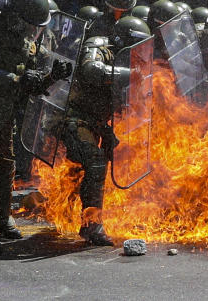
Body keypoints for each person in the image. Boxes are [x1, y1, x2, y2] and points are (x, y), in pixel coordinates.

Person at [0, 0, 64, 239]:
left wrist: (52, 76)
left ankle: (2, 219)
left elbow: (33, 81)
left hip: (5, 113)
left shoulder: (27, 39)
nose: (34, 31)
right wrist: (16, 79)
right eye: (31, 24)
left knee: (6, 164)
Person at [64, 15, 150, 246]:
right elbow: (91, 70)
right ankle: (92, 226)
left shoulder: (127, 59)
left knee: (114, 156)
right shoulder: (99, 45)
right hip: (74, 117)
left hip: (96, 122)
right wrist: (127, 74)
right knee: (95, 162)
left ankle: (85, 216)